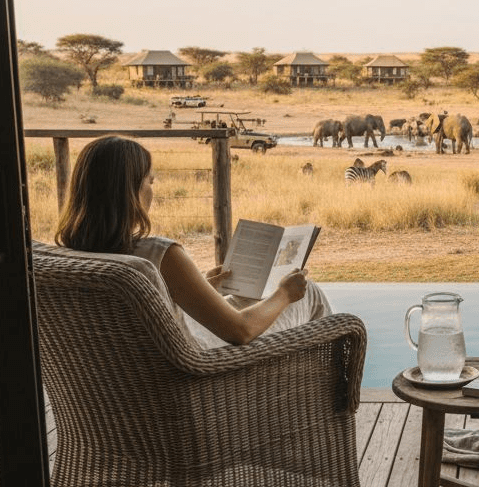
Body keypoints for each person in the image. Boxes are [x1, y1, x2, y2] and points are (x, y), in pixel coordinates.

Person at [54, 135, 329, 346]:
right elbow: (241, 331)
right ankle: (322, 397)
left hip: (136, 376)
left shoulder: (65, 257)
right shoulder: (159, 254)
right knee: (307, 294)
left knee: (238, 297)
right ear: (131, 191)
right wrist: (284, 294)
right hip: (203, 365)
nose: (152, 189)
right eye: (150, 181)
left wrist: (201, 287)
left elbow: (149, 312)